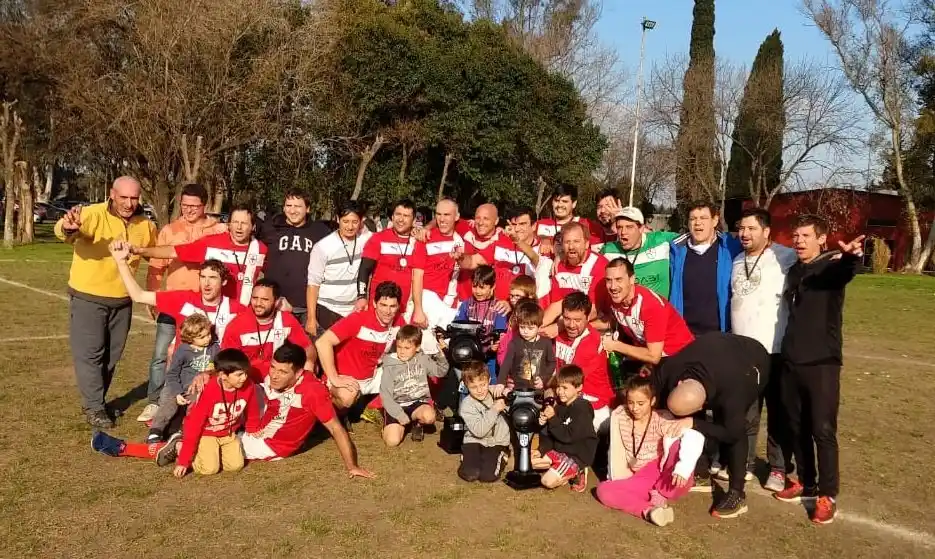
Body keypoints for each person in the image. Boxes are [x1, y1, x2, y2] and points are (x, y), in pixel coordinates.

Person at [773, 214, 865, 525]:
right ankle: (807, 483)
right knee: (796, 428)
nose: (799, 241)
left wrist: (853, 258)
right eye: (796, 236)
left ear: (821, 239)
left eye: (806, 236)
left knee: (822, 430)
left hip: (821, 363)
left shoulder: (830, 267)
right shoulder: (796, 270)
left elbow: (845, 271)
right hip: (791, 361)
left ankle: (827, 494)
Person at [54, 176, 157, 428]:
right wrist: (68, 227)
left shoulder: (145, 226)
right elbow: (67, 230)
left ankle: (95, 400)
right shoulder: (92, 214)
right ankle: (95, 408)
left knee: (111, 357)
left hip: (123, 301)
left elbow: (156, 257)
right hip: (88, 297)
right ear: (112, 194)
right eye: (124, 197)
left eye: (134, 198)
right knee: (90, 355)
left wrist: (153, 295)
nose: (129, 203)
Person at [653, 331, 770, 519]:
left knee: (737, 426)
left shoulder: (733, 392)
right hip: (716, 349)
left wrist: (694, 422)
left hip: (752, 360)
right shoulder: (670, 368)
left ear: (703, 405)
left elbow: (732, 433)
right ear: (679, 383)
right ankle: (701, 470)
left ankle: (737, 493)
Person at [140, 183, 226, 423]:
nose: (188, 210)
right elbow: (157, 265)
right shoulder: (169, 229)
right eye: (184, 205)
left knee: (201, 355)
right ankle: (154, 401)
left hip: (203, 305)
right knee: (161, 354)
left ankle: (194, 398)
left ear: (205, 206)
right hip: (173, 302)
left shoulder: (217, 229)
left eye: (194, 206)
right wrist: (153, 293)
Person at [90, 348, 256, 471]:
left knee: (235, 466)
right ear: (222, 375)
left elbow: (252, 408)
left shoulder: (248, 387)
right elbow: (195, 425)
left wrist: (254, 428)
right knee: (208, 469)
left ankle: (182, 447)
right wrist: (183, 461)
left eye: (245, 374)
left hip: (226, 433)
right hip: (204, 433)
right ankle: (178, 447)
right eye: (239, 375)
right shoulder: (209, 392)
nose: (245, 378)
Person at [729, 208, 798, 492]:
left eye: (752, 229)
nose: (745, 234)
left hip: (775, 350)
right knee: (746, 412)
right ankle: (744, 463)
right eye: (742, 229)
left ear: (766, 231)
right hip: (743, 352)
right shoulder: (736, 260)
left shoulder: (785, 257)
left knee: (778, 414)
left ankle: (779, 468)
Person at [230, 342, 374, 476]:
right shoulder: (277, 376)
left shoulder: (312, 392)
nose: (274, 375)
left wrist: (352, 466)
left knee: (222, 449)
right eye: (273, 367)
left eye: (282, 372)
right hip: (263, 417)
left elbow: (335, 428)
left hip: (270, 442)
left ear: (298, 373)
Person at [595, 375, 705, 527]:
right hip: (642, 476)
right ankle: (650, 511)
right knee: (603, 490)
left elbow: (694, 436)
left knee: (677, 445)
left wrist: (683, 468)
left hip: (664, 472)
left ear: (652, 401)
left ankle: (661, 493)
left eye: (641, 403)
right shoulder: (620, 416)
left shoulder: (661, 418)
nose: (635, 408)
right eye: (631, 402)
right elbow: (615, 449)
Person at [110, 242, 243, 354]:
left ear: (224, 281)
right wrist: (121, 262)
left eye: (213, 278)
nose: (206, 283)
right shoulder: (183, 299)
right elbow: (138, 295)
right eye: (203, 277)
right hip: (182, 377)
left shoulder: (237, 310)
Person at [133, 206, 267, 307]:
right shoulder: (212, 243)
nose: (239, 227)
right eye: (235, 222)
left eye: (244, 223)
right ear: (228, 224)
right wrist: (139, 250)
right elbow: (174, 251)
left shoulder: (261, 249)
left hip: (243, 313)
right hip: (213, 311)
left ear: (253, 226)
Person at [315, 281, 406, 413]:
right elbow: (322, 342)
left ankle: (376, 408)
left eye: (392, 306)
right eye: (383, 305)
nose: (387, 311)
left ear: (398, 307)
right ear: (374, 304)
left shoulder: (399, 322)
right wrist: (334, 378)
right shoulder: (358, 319)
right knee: (347, 398)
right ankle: (331, 415)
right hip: (347, 378)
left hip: (372, 377)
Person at [596, 258, 694, 374]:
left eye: (619, 279)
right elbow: (612, 321)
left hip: (678, 357)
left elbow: (653, 356)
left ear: (632, 279)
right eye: (608, 280)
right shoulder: (616, 298)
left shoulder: (650, 306)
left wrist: (615, 346)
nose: (613, 286)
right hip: (651, 358)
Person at [257, 190, 332, 326]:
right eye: (289, 206)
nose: (292, 211)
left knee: (307, 346)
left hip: (307, 307)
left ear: (308, 209)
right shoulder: (270, 227)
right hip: (276, 304)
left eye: (297, 206)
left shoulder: (320, 231)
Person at [668, 201, 742, 336]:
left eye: (703, 218)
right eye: (693, 218)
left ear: (715, 220)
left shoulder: (731, 247)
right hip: (685, 334)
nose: (697, 223)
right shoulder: (676, 250)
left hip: (720, 335)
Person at [147, 314, 219, 444]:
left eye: (208, 334)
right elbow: (172, 374)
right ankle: (155, 431)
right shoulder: (183, 351)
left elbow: (219, 368)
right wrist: (177, 392)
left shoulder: (214, 348)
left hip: (198, 389)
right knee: (168, 403)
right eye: (201, 337)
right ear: (190, 338)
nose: (207, 339)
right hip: (178, 386)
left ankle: (185, 432)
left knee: (196, 405)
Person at [220, 279, 315, 378]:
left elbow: (307, 348)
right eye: (254, 298)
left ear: (277, 301)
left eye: (265, 299)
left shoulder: (286, 319)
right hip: (247, 381)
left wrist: (309, 362)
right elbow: (226, 361)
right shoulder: (237, 325)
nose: (258, 303)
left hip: (279, 379)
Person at [306, 201, 372, 336]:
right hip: (327, 310)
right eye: (345, 221)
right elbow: (313, 284)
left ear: (361, 221)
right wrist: (311, 318)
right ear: (337, 219)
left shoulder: (366, 238)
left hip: (354, 310)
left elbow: (387, 236)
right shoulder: (323, 247)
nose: (350, 226)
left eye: (354, 222)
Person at [409, 198, 466, 352]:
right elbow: (417, 276)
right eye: (438, 214)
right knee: (426, 352)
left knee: (446, 354)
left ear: (456, 216)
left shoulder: (461, 238)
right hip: (427, 303)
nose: (442, 219)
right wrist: (418, 309)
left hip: (450, 305)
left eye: (447, 214)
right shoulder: (425, 238)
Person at [553, 292, 615, 433]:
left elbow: (570, 381)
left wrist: (549, 389)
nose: (572, 325)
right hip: (567, 394)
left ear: (587, 318)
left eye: (577, 320)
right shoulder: (560, 334)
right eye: (567, 319)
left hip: (594, 402)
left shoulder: (591, 342)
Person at [379, 325, 449, 446]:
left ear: (417, 348)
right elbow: (385, 394)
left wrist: (440, 356)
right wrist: (399, 414)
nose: (402, 351)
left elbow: (440, 372)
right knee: (392, 442)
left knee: (429, 417)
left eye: (407, 348)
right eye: (399, 347)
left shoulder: (422, 359)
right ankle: (391, 426)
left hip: (417, 403)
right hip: (397, 405)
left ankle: (417, 424)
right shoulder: (390, 365)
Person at [530, 365, 597, 492]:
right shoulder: (559, 406)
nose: (560, 391)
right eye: (558, 387)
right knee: (529, 462)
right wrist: (542, 448)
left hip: (575, 455)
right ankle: (557, 466)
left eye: (565, 388)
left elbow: (568, 436)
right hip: (559, 450)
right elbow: (551, 433)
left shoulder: (582, 409)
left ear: (579, 388)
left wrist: (552, 419)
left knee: (547, 481)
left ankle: (578, 471)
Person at [540, 221, 610, 326]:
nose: (571, 247)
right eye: (567, 242)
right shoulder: (558, 266)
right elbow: (557, 305)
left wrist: (559, 327)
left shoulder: (600, 265)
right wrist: (538, 328)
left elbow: (593, 310)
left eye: (576, 241)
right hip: (566, 322)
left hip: (592, 323)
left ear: (586, 244)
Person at [601, 206, 678, 298]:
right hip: (625, 311)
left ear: (641, 228)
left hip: (659, 310)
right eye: (619, 227)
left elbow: (691, 239)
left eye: (629, 227)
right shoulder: (608, 251)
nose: (623, 232)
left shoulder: (661, 240)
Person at [457, 360, 511, 483]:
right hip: (475, 439)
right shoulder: (467, 405)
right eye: (474, 387)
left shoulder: (497, 392)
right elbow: (479, 431)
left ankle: (502, 455)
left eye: (483, 384)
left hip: (497, 442)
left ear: (489, 380)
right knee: (470, 474)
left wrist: (509, 394)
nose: (480, 390)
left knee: (488, 476)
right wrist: (494, 410)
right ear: (466, 385)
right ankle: (468, 457)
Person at [358, 199, 418, 309]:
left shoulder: (419, 241)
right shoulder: (378, 238)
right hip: (381, 307)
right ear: (392, 217)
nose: (401, 219)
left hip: (408, 308)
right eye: (398, 214)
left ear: (414, 220)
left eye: (406, 216)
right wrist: (361, 296)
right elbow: (364, 270)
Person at [455, 266, 509, 381]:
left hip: (490, 358)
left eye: (482, 287)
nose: (478, 291)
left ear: (492, 286)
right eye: (474, 286)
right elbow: (457, 327)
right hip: (470, 356)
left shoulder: (499, 307)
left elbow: (500, 334)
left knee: (491, 387)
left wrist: (494, 346)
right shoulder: (466, 305)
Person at [500, 299, 555, 391]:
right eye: (522, 327)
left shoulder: (546, 343)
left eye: (530, 328)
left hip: (537, 390)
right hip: (517, 389)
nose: (525, 331)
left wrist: (543, 378)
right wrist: (501, 383)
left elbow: (552, 363)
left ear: (539, 327)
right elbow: (506, 364)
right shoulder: (515, 343)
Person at [535, 183, 601, 255]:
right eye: (556, 201)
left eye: (565, 201)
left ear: (574, 204)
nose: (559, 205)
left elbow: (596, 255)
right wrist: (544, 239)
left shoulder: (587, 225)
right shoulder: (540, 224)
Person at [496, 275, 539, 368]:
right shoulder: (512, 311)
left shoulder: (531, 316)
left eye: (517, 296)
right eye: (511, 295)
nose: (512, 299)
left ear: (530, 295)